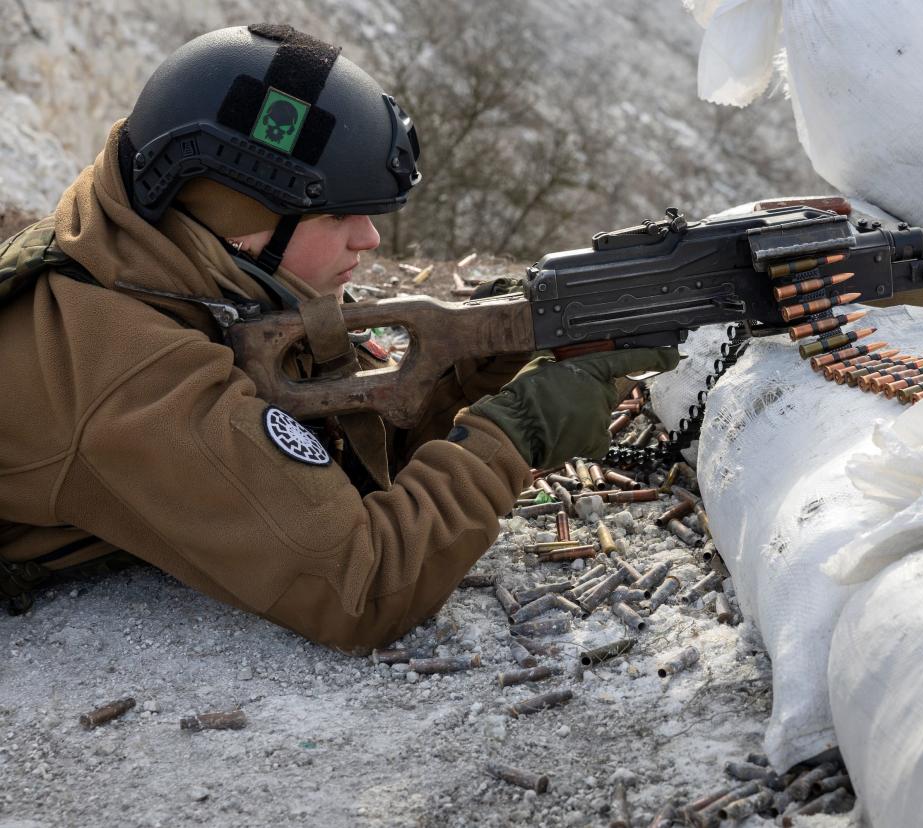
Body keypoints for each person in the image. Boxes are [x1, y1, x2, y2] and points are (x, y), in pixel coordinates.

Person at [0, 24, 676, 651]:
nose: (370, 239)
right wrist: (517, 429)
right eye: (337, 213)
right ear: (241, 218)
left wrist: (471, 372)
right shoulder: (127, 370)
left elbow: (340, 458)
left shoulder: (193, 272)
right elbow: (365, 585)